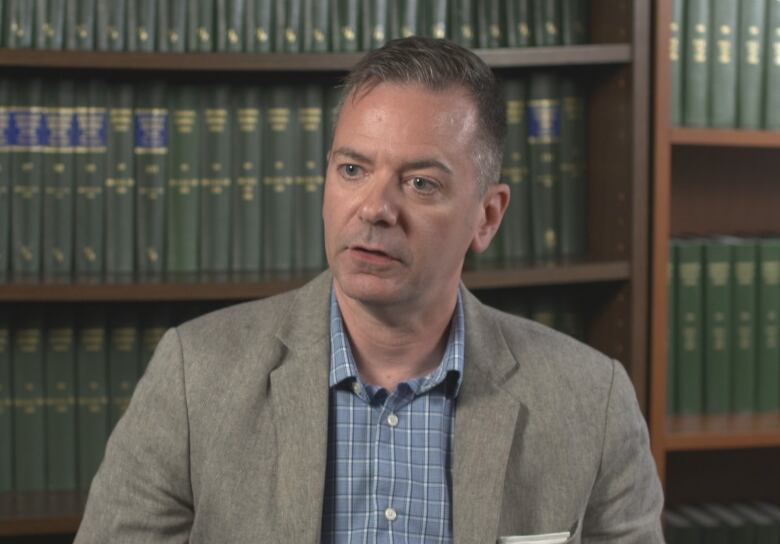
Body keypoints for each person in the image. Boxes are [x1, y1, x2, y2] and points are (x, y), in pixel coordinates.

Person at [75, 37, 664, 543]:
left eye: (420, 182)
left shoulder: (593, 401)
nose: (375, 208)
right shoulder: (194, 377)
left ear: (487, 217)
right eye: (353, 170)